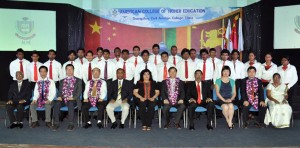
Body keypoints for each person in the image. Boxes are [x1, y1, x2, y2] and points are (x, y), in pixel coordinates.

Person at [52, 64, 82, 131]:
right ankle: (56, 123)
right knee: (56, 103)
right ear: (65, 71)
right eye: (67, 69)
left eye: (71, 69)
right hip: (63, 99)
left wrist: (73, 97)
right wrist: (59, 96)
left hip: (73, 100)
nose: (69, 71)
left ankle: (71, 124)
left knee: (70, 103)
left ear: (73, 70)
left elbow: (79, 92)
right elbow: (59, 91)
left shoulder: (78, 80)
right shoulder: (62, 81)